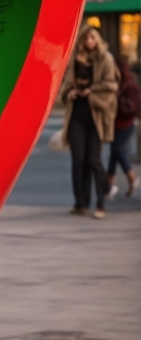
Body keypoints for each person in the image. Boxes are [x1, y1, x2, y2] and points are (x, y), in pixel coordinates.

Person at [61, 24, 119, 218]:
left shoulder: (106, 59)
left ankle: (101, 203)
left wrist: (91, 90)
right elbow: (66, 85)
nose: (89, 42)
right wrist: (70, 93)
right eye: (86, 38)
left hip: (96, 117)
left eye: (92, 38)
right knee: (78, 161)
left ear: (98, 40)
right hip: (77, 115)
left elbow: (111, 85)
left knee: (93, 160)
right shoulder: (76, 60)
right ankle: (80, 202)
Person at [106, 55, 140, 198]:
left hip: (126, 123)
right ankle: (110, 186)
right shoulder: (115, 83)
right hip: (116, 123)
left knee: (117, 150)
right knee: (114, 154)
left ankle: (131, 178)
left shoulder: (129, 85)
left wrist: (119, 98)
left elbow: (134, 107)